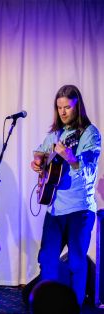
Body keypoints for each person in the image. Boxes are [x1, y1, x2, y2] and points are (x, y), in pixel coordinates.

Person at [30, 84, 101, 307]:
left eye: (67, 107)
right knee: (48, 260)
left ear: (77, 106)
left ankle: (74, 308)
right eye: (59, 107)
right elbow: (39, 152)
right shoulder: (56, 134)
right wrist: (39, 163)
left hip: (79, 209)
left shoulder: (90, 133)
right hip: (55, 208)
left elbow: (88, 168)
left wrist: (70, 157)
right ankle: (48, 307)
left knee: (77, 263)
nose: (62, 112)